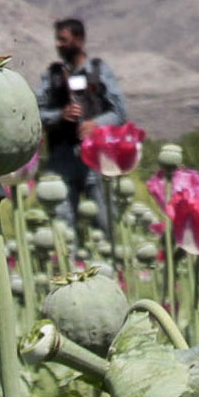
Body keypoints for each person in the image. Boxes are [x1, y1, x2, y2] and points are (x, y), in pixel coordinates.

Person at [38, 17, 130, 235]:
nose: (58, 45)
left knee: (104, 221)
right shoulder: (51, 76)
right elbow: (36, 114)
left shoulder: (99, 71)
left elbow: (119, 112)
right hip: (62, 158)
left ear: (79, 40)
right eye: (57, 40)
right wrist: (60, 115)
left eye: (63, 40)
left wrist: (95, 124)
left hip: (97, 159)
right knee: (62, 226)